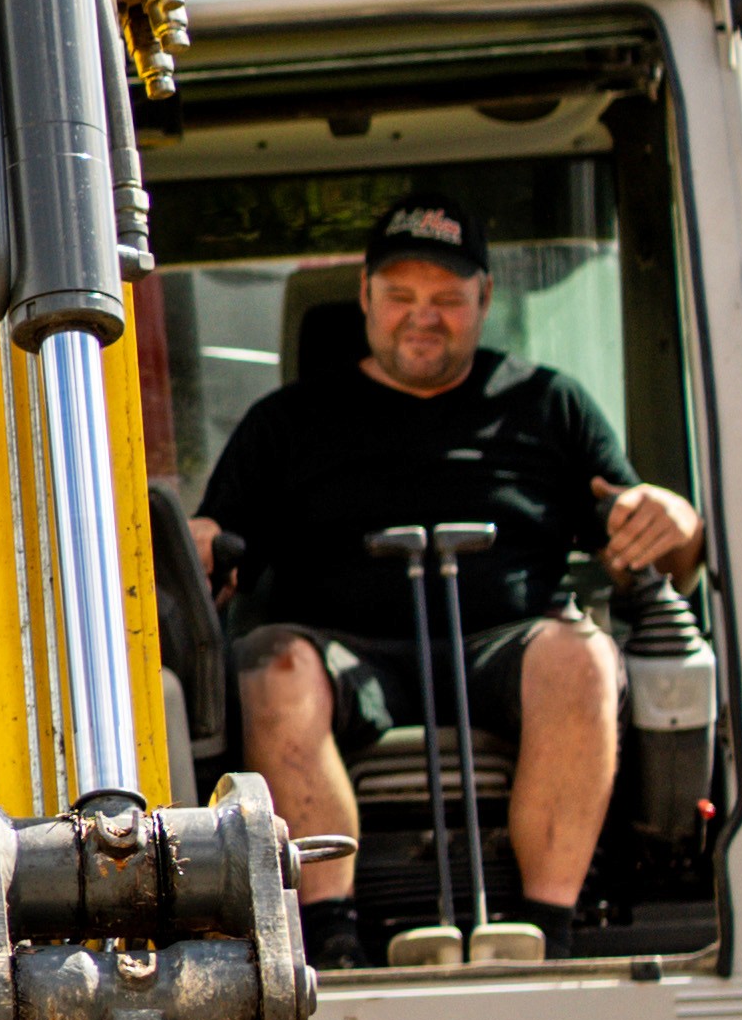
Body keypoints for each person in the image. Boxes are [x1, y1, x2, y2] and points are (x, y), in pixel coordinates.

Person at [195, 200, 699, 953]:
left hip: (505, 649)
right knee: (270, 665)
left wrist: (678, 522)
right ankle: (328, 938)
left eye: (447, 299)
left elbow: (653, 548)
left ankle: (545, 936)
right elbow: (215, 549)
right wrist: (199, 541)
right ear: (365, 295)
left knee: (584, 656)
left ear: (485, 298)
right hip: (341, 657)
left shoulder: (548, 405)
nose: (422, 317)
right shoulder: (287, 423)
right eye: (400, 295)